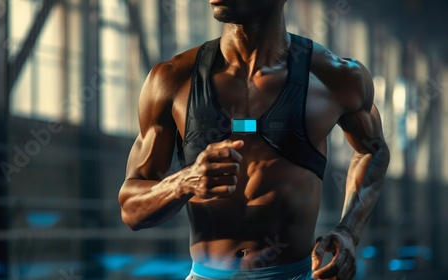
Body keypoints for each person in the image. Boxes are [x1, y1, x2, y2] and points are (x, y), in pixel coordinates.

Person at [118, 0, 390, 279]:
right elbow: (131, 209)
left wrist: (349, 230)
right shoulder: (171, 80)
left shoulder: (335, 77)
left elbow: (373, 149)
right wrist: (183, 182)